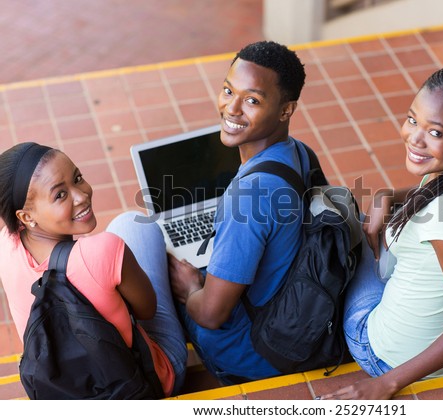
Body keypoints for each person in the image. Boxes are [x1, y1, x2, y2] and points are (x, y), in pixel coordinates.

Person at [320, 64, 443, 400]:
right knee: (366, 220)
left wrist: (386, 383)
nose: (414, 138)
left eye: (435, 132)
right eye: (412, 119)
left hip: (391, 358)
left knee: (344, 227)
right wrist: (388, 195)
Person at [168, 41, 312, 383]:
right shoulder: (298, 152)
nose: (231, 109)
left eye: (252, 100)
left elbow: (212, 315)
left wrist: (190, 288)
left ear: (285, 110)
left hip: (255, 351)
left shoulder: (248, 197)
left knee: (152, 263)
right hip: (290, 311)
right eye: (228, 90)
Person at [0, 142, 188, 398]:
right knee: (133, 223)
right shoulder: (104, 250)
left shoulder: (5, 244)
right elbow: (147, 310)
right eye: (60, 195)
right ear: (26, 217)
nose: (81, 195)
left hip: (64, 391)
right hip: (143, 387)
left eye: (77, 178)